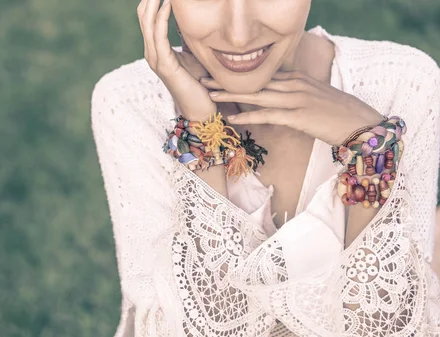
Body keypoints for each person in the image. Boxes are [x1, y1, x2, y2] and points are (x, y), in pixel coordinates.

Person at [91, 0, 440, 335]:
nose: (240, 35)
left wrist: (374, 155)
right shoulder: (130, 104)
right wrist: (200, 131)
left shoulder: (403, 84)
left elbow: (391, 328)